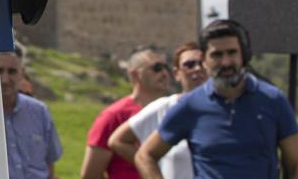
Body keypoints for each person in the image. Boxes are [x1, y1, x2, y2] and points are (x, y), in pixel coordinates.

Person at [137, 19, 298, 179]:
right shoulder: (191, 105)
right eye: (217, 55)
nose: (226, 62)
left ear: (243, 55)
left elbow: (295, 163)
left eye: (232, 52)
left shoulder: (273, 100)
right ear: (204, 60)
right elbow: (145, 156)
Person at [106, 42, 206, 179]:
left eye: (202, 63)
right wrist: (152, 170)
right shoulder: (165, 107)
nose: (197, 68)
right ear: (177, 73)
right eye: (189, 65)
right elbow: (117, 141)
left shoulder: (228, 107)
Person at [81, 45, 171, 179]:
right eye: (156, 68)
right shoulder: (113, 116)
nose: (164, 73)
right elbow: (90, 175)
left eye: (166, 67)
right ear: (135, 74)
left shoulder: (173, 110)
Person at [0, 46, 61, 179]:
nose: (4, 79)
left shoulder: (39, 112)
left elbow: (50, 166)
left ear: (22, 73)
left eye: (11, 71)